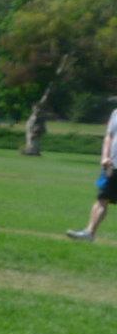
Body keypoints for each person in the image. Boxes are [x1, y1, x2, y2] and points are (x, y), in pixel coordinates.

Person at [65, 101, 117, 241]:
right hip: (112, 166)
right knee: (102, 199)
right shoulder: (115, 113)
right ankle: (89, 233)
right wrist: (105, 157)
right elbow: (109, 136)